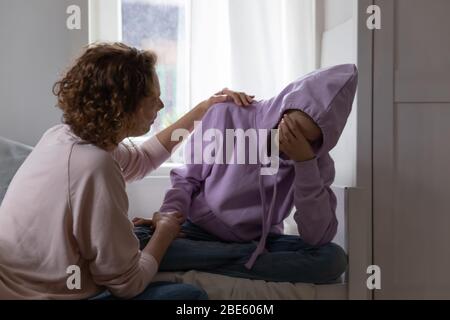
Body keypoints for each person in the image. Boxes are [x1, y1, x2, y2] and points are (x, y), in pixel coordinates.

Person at [0, 42, 254, 300]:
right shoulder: (94, 166)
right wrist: (165, 230)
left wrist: (203, 110)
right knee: (189, 297)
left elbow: (143, 159)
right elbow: (128, 284)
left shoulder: (63, 136)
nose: (162, 105)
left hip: (21, 281)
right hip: (38, 295)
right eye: (153, 98)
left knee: (157, 242)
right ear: (124, 105)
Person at [133, 64, 358, 284]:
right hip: (198, 232)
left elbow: (317, 236)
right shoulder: (227, 114)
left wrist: (304, 164)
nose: (293, 141)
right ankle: (241, 259)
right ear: (283, 110)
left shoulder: (316, 162)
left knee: (332, 259)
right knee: (135, 240)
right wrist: (168, 217)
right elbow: (186, 178)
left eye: (308, 140)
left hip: (261, 240)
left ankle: (222, 259)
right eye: (291, 128)